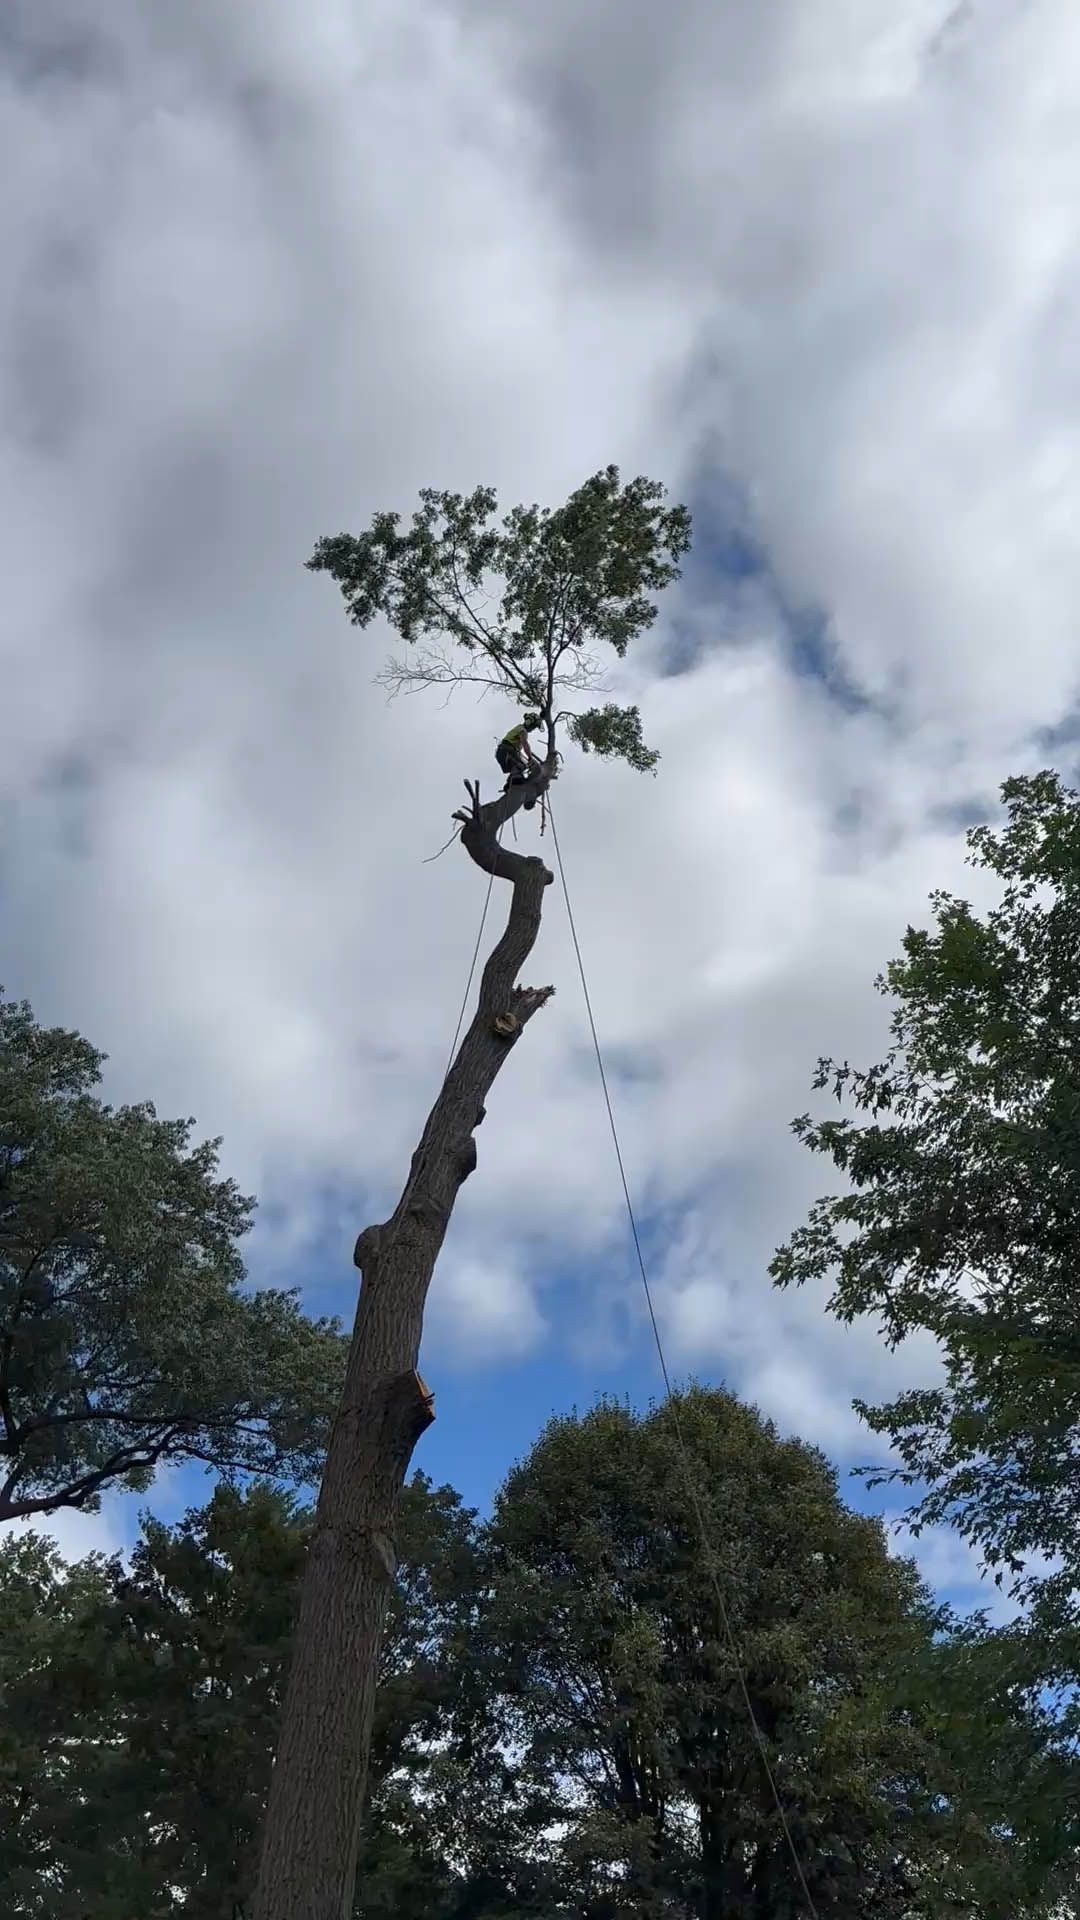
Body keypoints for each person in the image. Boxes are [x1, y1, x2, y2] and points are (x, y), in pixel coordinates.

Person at [495, 713, 543, 807]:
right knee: (520, 766)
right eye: (533, 727)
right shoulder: (522, 730)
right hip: (506, 750)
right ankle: (515, 780)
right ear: (530, 723)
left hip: (504, 752)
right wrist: (530, 758)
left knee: (519, 766)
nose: (532, 729)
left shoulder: (519, 728)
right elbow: (525, 744)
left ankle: (510, 784)